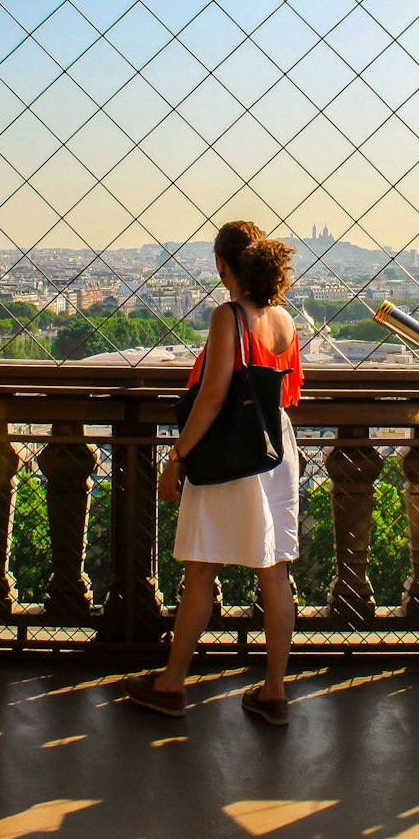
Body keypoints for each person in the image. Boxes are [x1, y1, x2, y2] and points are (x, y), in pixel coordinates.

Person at [125, 220, 302, 727]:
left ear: (225, 266)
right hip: (275, 447)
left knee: (201, 568)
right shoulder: (285, 320)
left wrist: (178, 455)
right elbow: (285, 393)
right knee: (275, 572)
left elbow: (214, 396)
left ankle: (172, 682)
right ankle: (273, 691)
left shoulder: (228, 316)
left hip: (232, 452)